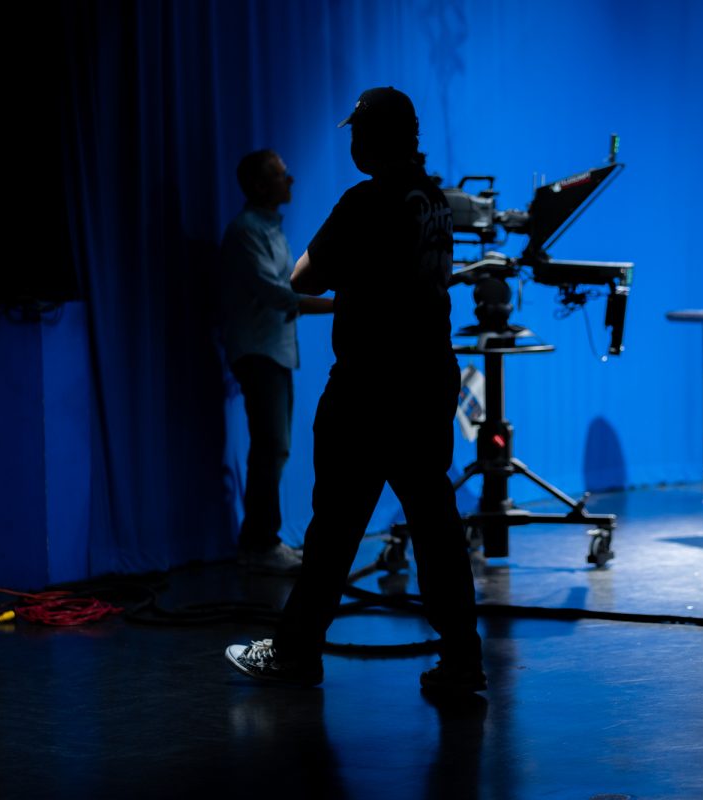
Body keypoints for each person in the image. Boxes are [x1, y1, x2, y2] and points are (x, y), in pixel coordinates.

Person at [226, 88, 484, 693]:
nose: (351, 145)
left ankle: (293, 653)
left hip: (371, 389)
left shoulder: (366, 201)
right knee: (436, 526)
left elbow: (302, 277)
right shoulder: (436, 203)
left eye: (356, 134)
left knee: (335, 527)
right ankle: (463, 661)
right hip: (427, 380)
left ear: (371, 140)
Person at [221, 150, 334, 574]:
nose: (290, 181)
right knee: (270, 448)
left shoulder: (271, 229)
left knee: (276, 448)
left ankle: (263, 539)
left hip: (275, 350)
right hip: (258, 351)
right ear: (257, 185)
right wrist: (342, 304)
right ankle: (259, 544)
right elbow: (277, 294)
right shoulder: (245, 231)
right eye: (280, 175)